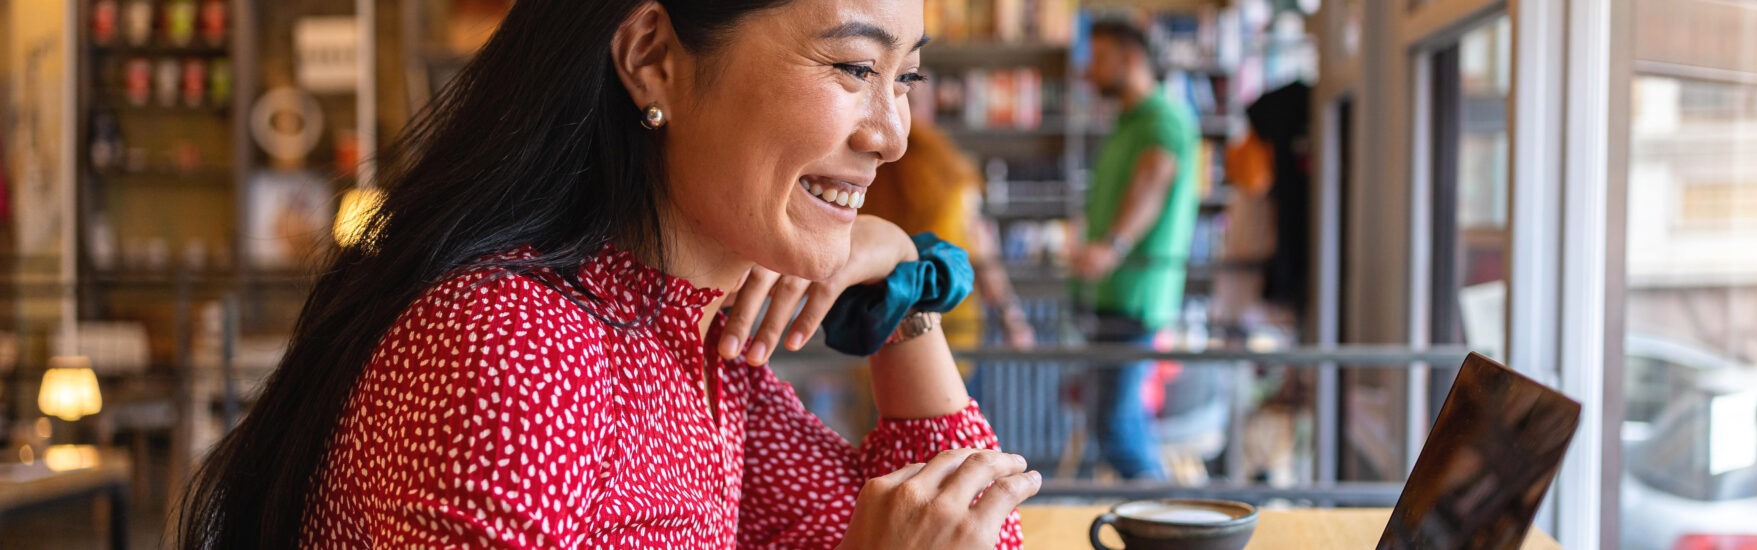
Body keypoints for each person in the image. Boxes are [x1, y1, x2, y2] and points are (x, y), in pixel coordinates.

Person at [177, 2, 1036, 548]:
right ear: (653, 57)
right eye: (855, 67)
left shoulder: (686, 338)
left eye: (906, 77)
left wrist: (901, 283)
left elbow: (972, 533)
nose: (891, 132)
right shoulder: (512, 350)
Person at [1069, 19, 1202, 481]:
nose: (1089, 70)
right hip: (1116, 295)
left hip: (1135, 297)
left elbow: (1155, 176)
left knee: (1117, 429)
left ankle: (1169, 524)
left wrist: (1111, 246)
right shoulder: (1129, 120)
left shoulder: (1161, 117)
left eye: (1099, 58)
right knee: (1121, 424)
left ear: (1131, 59)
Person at [864, 83, 1037, 353]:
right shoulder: (952, 177)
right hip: (948, 330)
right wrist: (1012, 319)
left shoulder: (863, 171)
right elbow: (982, 254)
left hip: (875, 326)